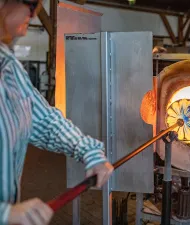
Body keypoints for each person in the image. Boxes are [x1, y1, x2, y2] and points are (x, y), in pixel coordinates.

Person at [0, 1, 114, 224]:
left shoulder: (9, 66)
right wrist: (5, 214)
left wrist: (88, 151)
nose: (34, 14)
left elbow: (44, 119)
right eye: (30, 3)